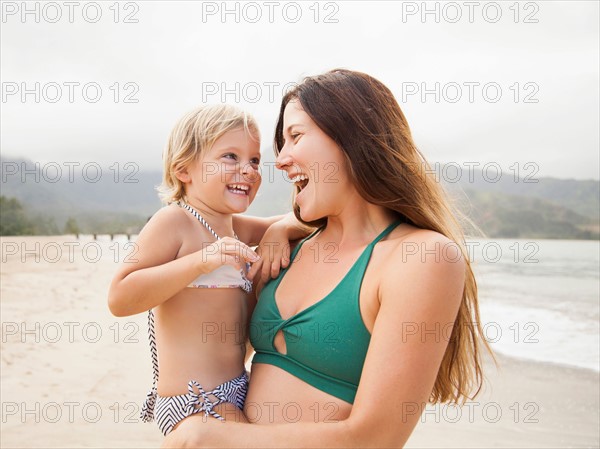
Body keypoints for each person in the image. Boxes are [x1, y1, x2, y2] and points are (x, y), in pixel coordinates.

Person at [163, 69, 493, 448]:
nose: (281, 160)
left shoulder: (421, 257)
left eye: (295, 137)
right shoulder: (290, 250)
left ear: (351, 137)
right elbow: (193, 225)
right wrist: (281, 228)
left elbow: (376, 437)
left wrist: (213, 438)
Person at [107, 104, 306, 436]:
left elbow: (297, 221)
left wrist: (279, 232)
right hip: (196, 400)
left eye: (254, 160)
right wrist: (200, 261)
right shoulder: (175, 221)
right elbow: (120, 297)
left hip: (238, 388)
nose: (248, 169)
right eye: (230, 156)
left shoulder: (234, 227)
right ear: (184, 169)